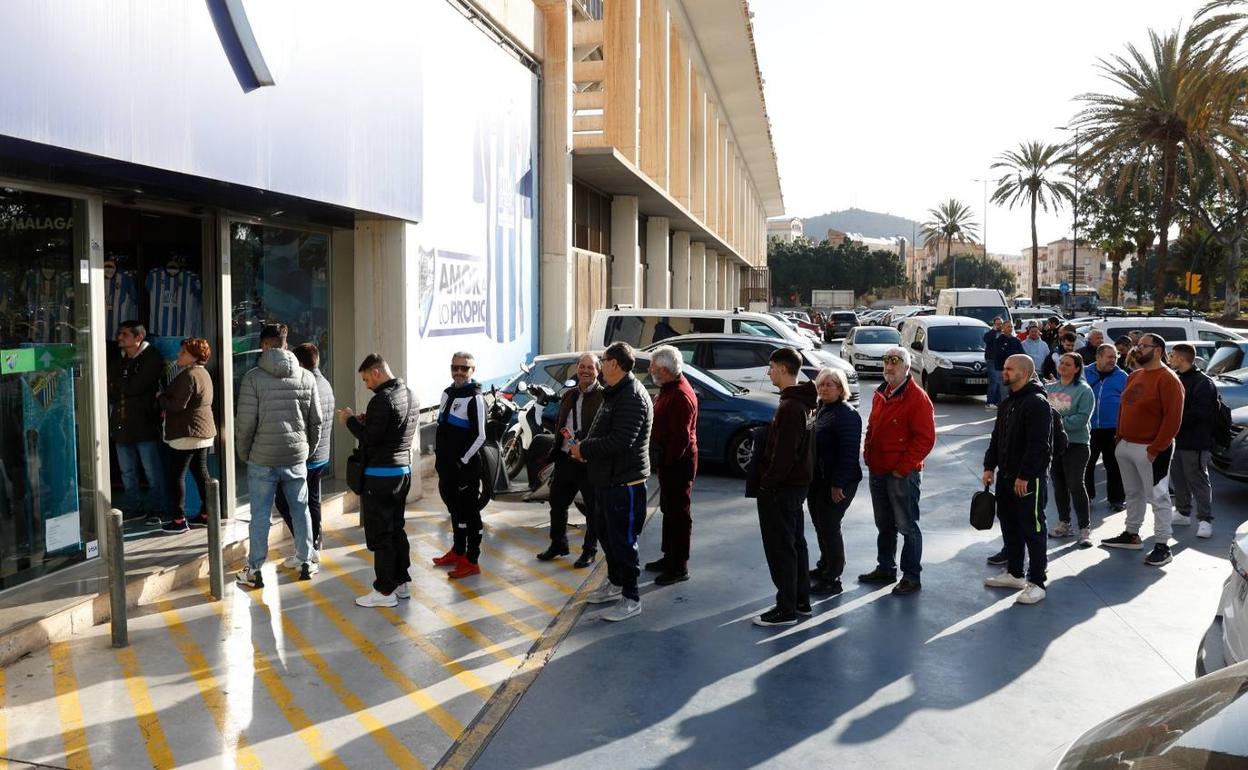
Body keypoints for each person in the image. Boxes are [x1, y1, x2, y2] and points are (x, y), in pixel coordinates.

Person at [234, 323, 323, 587]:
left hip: (261, 459)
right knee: (300, 510)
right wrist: (307, 450)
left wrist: (245, 453)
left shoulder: (252, 378)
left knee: (260, 516)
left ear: (263, 346)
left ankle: (255, 569)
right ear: (285, 344)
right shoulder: (306, 377)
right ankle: (307, 561)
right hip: (295, 456)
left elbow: (245, 424)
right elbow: (315, 422)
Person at [571, 342, 653, 623]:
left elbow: (621, 441)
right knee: (606, 534)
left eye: (604, 360)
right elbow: (601, 430)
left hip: (624, 483)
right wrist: (583, 445)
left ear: (615, 364)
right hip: (606, 480)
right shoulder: (614, 393)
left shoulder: (631, 396)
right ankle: (616, 582)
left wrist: (585, 450)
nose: (600, 365)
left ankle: (631, 597)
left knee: (623, 541)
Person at [859, 346, 936, 596]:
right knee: (884, 524)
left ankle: (911, 576)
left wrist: (903, 469)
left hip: (902, 475)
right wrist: (869, 453)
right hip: (879, 470)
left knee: (907, 526)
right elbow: (872, 425)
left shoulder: (917, 397)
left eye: (895, 364)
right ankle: (885, 568)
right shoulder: (881, 393)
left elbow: (925, 439)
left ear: (906, 367)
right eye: (886, 364)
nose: (889, 368)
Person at [1102, 333, 1184, 566]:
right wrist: (1119, 437)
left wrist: (1156, 448)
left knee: (1158, 497)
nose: (1137, 349)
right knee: (1133, 493)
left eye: (1143, 346)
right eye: (1137, 345)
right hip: (1126, 444)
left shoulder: (1169, 379)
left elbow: (1173, 419)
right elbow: (1124, 407)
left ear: (1158, 350)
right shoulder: (1135, 375)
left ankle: (1162, 545)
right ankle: (1131, 534)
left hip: (1151, 449)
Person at [344, 354, 419, 607]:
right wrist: (370, 421)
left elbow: (369, 439)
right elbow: (390, 431)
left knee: (381, 533)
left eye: (366, 379)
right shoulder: (410, 394)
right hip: (402, 472)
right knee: (396, 528)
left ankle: (384, 591)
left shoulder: (382, 400)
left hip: (380, 477)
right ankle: (401, 583)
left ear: (376, 373)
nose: (366, 385)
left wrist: (351, 421)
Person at [752, 347, 818, 626]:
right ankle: (801, 601)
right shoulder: (804, 402)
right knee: (795, 545)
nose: (768, 373)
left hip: (782, 490)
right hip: (796, 487)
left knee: (781, 549)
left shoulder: (791, 407)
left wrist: (767, 485)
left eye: (771, 367)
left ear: (781, 368)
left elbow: (785, 455)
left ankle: (786, 609)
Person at [982, 354, 1053, 605]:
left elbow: (1039, 446)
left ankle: (1037, 582)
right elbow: (996, 438)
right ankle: (1014, 573)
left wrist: (1025, 475)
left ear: (1023, 373)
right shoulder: (1008, 403)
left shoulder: (1037, 403)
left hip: (1028, 480)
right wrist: (990, 466)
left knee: (1033, 529)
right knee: (1009, 525)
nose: (1004, 372)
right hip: (1006, 478)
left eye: (1009, 369)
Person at [536, 353, 603, 567]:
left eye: (590, 367)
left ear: (598, 371)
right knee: (557, 504)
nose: (585, 371)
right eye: (582, 366)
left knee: (593, 510)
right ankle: (558, 544)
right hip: (565, 459)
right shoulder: (569, 395)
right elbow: (560, 424)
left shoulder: (604, 398)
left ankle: (589, 550)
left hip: (589, 461)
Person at [645, 345, 699, 586]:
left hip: (678, 464)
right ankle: (669, 557)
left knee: (679, 515)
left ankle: (679, 566)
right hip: (670, 463)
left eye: (653, 367)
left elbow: (681, 439)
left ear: (665, 370)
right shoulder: (668, 388)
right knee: (669, 511)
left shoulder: (679, 396)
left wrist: (664, 463)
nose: (650, 370)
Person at [275, 343, 334, 563]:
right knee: (313, 501)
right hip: (321, 455)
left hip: (306, 457)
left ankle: (306, 544)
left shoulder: (307, 386)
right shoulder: (325, 383)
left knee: (285, 501)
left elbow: (304, 424)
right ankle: (314, 544)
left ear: (299, 363)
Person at [432, 351, 487, 579]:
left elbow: (480, 436)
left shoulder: (475, 397)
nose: (459, 372)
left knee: (470, 513)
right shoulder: (447, 393)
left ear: (472, 371)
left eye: (464, 368)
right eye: (455, 367)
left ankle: (472, 559)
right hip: (446, 469)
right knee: (455, 510)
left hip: (465, 469)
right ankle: (458, 550)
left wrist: (461, 461)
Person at [808, 366, 862, 597]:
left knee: (830, 527)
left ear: (841, 388)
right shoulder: (822, 409)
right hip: (818, 481)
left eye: (829, 384)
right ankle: (824, 566)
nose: (824, 389)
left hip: (839, 483)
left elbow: (849, 454)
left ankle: (834, 577)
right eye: (821, 385)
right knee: (820, 525)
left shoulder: (847, 414)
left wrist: (838, 484)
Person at [109, 320, 167, 526]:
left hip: (145, 424)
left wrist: (122, 384)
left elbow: (136, 386)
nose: (119, 338)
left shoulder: (152, 357)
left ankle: (157, 509)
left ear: (138, 337)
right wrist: (123, 384)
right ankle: (134, 507)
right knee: (127, 471)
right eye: (119, 333)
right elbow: (111, 387)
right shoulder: (119, 357)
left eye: (124, 334)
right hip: (121, 423)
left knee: (152, 471)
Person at [158, 337, 216, 534]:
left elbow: (176, 405)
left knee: (176, 476)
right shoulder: (203, 373)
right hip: (203, 431)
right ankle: (207, 514)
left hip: (186, 432)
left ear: (193, 356)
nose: (178, 355)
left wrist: (160, 397)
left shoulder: (188, 375)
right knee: (201, 473)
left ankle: (179, 519)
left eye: (183, 352)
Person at [1168, 343, 1216, 539]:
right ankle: (1182, 512)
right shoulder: (1177, 378)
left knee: (1197, 480)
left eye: (1172, 356)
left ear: (1181, 358)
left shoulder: (1203, 383)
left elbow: (1201, 413)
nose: (1169, 359)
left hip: (1195, 442)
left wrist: (1171, 417)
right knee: (1178, 478)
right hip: (1176, 440)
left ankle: (1205, 520)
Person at [1047, 352, 1094, 546]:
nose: (1063, 366)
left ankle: (1084, 528)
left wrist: (1056, 424)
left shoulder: (1084, 390)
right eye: (1062, 363)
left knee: (1075, 484)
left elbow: (1081, 419)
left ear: (1077, 369)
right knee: (1059, 486)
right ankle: (1064, 523)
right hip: (1056, 445)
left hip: (1077, 445)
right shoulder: (1051, 388)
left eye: (1068, 364)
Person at [1084, 344, 1128, 514]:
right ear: (1098, 357)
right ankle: (1086, 497)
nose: (1113, 360)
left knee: (1114, 465)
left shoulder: (1122, 376)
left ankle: (1116, 499)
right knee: (1087, 464)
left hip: (1113, 429)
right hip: (1089, 428)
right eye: (1109, 357)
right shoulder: (1084, 373)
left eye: (1115, 357)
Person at [987, 319, 1024, 410]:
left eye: (1011, 326)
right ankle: (1004, 409)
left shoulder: (1016, 340)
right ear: (1003, 328)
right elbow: (1000, 353)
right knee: (1004, 390)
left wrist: (1011, 353)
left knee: (1014, 389)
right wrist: (1013, 353)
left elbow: (1022, 353)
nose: (1010, 328)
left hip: (1015, 369)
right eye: (1008, 326)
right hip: (1002, 369)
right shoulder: (998, 340)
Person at [983, 317, 1004, 408]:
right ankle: (990, 402)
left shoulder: (1004, 333)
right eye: (997, 324)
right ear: (994, 324)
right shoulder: (990, 333)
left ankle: (997, 402)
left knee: (999, 382)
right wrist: (993, 331)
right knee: (994, 381)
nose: (999, 326)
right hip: (992, 360)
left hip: (1001, 360)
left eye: (1000, 324)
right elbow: (986, 340)